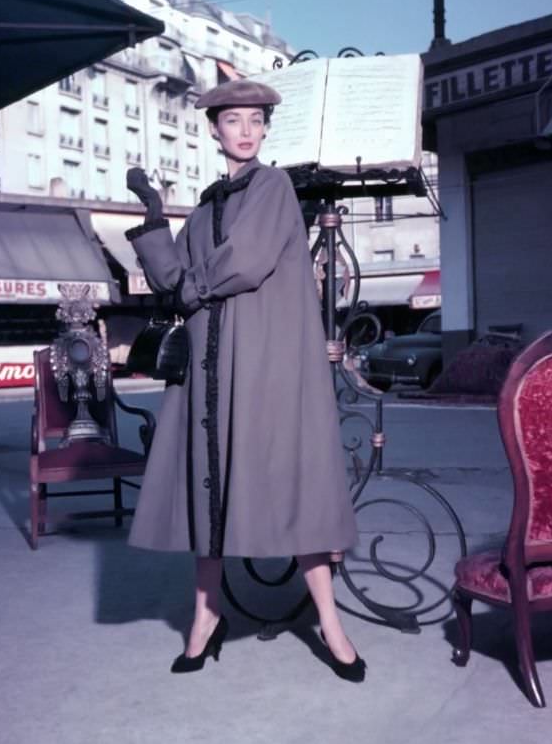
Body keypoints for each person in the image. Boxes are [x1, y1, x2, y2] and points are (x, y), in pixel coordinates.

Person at [124, 79, 364, 681]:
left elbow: (244, 261)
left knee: (295, 485)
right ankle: (206, 619)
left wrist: (187, 287)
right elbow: (171, 278)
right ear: (213, 130)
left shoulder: (274, 186)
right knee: (211, 491)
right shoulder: (204, 206)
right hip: (210, 368)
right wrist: (155, 221)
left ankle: (331, 626)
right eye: (234, 120)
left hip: (268, 364)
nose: (247, 130)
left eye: (256, 120)